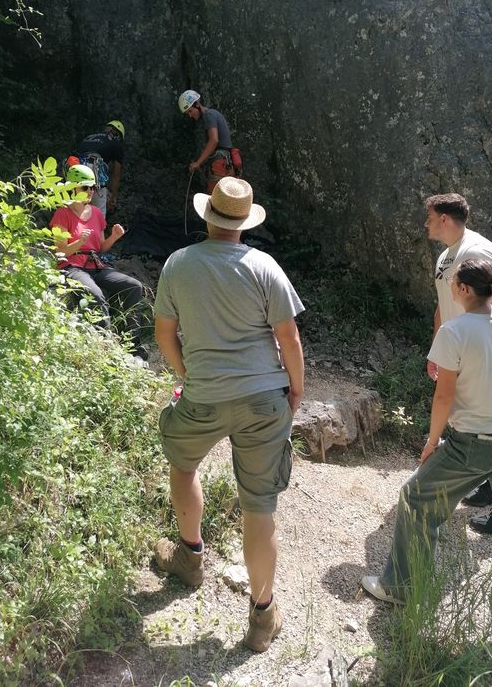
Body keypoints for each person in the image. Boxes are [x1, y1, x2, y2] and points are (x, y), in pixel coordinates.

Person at [153, 177, 304, 652]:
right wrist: (295, 389)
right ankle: (262, 618)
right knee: (259, 508)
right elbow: (289, 338)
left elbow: (164, 336)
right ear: (244, 222)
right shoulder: (264, 266)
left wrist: (186, 373)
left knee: (184, 464)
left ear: (208, 216)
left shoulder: (178, 264)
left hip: (202, 396)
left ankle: (190, 556)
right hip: (263, 398)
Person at [361, 259, 492, 638]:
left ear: (463, 290)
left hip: (477, 443)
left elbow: (444, 395)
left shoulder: (454, 330)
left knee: (415, 497)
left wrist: (431, 443)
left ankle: (400, 588)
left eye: (452, 283)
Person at [424, 192, 492, 537]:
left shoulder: (476, 252)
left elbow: (483, 312)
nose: (426, 223)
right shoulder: (447, 256)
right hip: (458, 350)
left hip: (480, 354)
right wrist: (437, 348)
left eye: (430, 217)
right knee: (476, 423)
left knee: (489, 425)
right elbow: (443, 305)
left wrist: (458, 353)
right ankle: (489, 488)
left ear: (445, 217)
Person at [50, 164, 147, 361]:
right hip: (71, 266)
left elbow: (101, 248)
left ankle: (131, 345)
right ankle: (105, 349)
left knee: (133, 286)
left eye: (93, 187)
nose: (91, 192)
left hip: (96, 265)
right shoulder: (62, 213)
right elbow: (59, 252)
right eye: (86, 187)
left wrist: (113, 237)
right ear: (73, 188)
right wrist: (78, 243)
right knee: (95, 294)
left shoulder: (96, 213)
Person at [178, 90, 240, 193]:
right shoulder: (213, 114)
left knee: (215, 200)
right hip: (227, 163)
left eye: (190, 111)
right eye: (187, 113)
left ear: (197, 104)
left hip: (219, 164)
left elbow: (214, 141)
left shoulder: (209, 115)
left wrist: (198, 163)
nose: (190, 115)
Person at [70, 120, 125, 216]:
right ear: (118, 135)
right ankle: (98, 228)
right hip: (93, 169)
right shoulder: (115, 143)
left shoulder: (89, 137)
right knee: (99, 212)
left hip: (75, 169)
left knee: (77, 206)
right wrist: (114, 197)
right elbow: (116, 175)